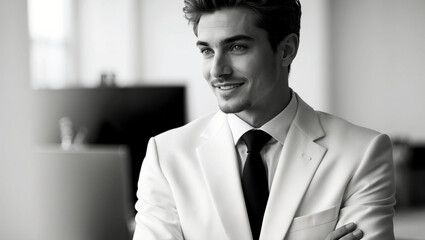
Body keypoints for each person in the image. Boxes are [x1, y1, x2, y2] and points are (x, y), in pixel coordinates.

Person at [133, 0, 396, 239]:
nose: (217, 70)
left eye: (237, 47)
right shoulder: (166, 156)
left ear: (286, 50)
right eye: (207, 51)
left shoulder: (362, 152)